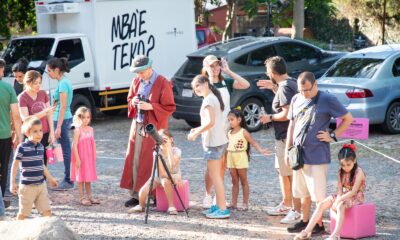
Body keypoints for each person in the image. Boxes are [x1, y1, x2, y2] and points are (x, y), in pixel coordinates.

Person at [285, 72, 353, 234]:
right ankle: (305, 220)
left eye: (307, 90)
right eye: (301, 90)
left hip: (317, 155)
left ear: (315, 85)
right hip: (298, 154)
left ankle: (319, 224)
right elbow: (291, 126)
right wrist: (288, 150)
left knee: (317, 194)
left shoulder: (327, 99)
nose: (304, 94)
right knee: (302, 191)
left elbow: (348, 118)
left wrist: (333, 135)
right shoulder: (296, 99)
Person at [120, 55, 176, 207]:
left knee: (153, 159)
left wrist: (151, 106)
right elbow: (130, 98)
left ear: (150, 68)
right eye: (137, 73)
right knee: (135, 158)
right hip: (137, 124)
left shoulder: (163, 83)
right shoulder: (136, 81)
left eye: (142, 72)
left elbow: (170, 107)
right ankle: (137, 194)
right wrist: (134, 102)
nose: (139, 75)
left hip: (154, 127)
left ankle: (155, 194)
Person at [201, 55, 250, 209]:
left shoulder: (226, 82)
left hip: (226, 129)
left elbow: (245, 84)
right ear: (206, 67)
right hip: (210, 128)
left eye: (217, 65)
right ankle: (208, 194)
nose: (215, 68)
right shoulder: (204, 84)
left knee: (222, 165)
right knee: (211, 166)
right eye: (211, 66)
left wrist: (228, 71)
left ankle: (218, 196)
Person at [257, 56, 301, 224]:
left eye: (268, 71)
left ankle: (291, 207)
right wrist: (274, 88)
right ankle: (287, 203)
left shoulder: (284, 88)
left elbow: (287, 113)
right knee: (285, 172)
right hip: (289, 135)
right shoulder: (291, 82)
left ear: (272, 73)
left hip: (285, 136)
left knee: (286, 172)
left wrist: (269, 117)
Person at [294, 143, 366, 240]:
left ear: (354, 160)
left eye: (348, 164)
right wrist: (338, 198)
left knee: (341, 205)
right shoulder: (341, 171)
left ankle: (335, 235)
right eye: (343, 165)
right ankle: (306, 232)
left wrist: (338, 200)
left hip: (355, 197)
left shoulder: (359, 172)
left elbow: (353, 192)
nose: (346, 167)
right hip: (344, 195)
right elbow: (340, 189)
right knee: (321, 204)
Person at [187, 74, 229, 219]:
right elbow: (211, 122)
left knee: (215, 177)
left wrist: (195, 133)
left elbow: (210, 123)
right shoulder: (212, 97)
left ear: (206, 83)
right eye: (194, 87)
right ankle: (218, 206)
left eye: (198, 85)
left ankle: (222, 209)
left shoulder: (208, 100)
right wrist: (197, 129)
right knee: (216, 176)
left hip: (214, 143)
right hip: (218, 140)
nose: (196, 89)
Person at [9, 117, 58, 220]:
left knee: (47, 211)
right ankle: (16, 231)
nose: (39, 134)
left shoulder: (40, 146)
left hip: (41, 185)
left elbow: (42, 164)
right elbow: (15, 164)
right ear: (27, 133)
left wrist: (50, 178)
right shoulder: (22, 147)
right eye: (35, 131)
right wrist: (12, 182)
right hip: (27, 187)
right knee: (23, 214)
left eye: (40, 130)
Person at [128, 129, 182, 215]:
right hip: (159, 176)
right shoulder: (157, 153)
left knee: (165, 181)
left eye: (164, 139)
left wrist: (168, 148)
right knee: (142, 191)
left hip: (174, 174)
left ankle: (171, 206)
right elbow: (162, 173)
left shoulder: (176, 151)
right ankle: (141, 206)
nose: (162, 142)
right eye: (160, 139)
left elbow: (172, 164)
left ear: (171, 139)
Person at [226, 107, 271, 210]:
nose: (230, 122)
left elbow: (253, 142)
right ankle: (233, 203)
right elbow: (228, 147)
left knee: (243, 181)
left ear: (239, 120)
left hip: (240, 158)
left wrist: (261, 150)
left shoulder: (244, 132)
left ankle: (245, 204)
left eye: (232, 120)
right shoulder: (229, 133)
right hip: (231, 158)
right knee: (234, 181)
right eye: (228, 120)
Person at [46, 57, 74, 190]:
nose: (48, 74)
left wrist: (57, 127)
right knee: (66, 149)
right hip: (62, 118)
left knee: (66, 150)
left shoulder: (63, 83)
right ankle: (68, 178)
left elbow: (63, 106)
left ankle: (68, 180)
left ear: (57, 70)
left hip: (62, 119)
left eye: (49, 71)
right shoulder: (63, 81)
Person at [18, 70, 56, 165]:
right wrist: (44, 112)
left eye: (39, 83)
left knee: (44, 162)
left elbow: (49, 114)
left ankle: (43, 180)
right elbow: (26, 119)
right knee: (33, 161)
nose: (38, 85)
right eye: (35, 83)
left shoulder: (43, 93)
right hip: (31, 135)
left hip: (44, 132)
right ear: (27, 83)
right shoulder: (22, 97)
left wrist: (52, 132)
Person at [0, 58, 23, 201]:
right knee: (3, 168)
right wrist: (20, 137)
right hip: (4, 135)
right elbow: (15, 114)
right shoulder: (8, 88)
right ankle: (1, 201)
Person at [71, 106, 99, 206]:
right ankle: (82, 197)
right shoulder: (78, 130)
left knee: (88, 177)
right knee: (81, 178)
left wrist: (94, 155)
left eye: (88, 117)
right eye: (83, 117)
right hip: (80, 157)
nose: (86, 120)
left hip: (88, 157)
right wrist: (77, 159)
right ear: (79, 118)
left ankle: (90, 196)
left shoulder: (91, 129)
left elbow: (93, 143)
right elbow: (74, 146)